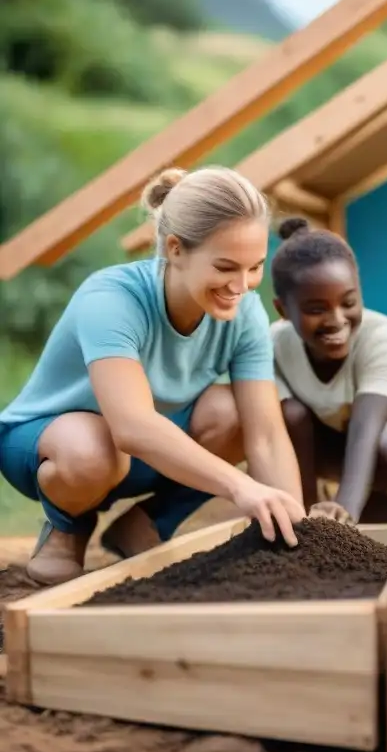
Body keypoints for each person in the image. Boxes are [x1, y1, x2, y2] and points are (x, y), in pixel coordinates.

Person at [0, 166, 306, 585]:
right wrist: (240, 487)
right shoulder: (111, 299)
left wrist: (301, 535)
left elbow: (266, 436)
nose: (242, 285)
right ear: (176, 249)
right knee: (93, 449)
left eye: (254, 267)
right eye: (225, 267)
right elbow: (131, 427)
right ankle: (67, 528)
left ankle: (148, 523)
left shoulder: (245, 312)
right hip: (52, 445)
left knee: (235, 414)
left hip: (142, 450)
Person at [270, 218, 387, 525]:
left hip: (381, 437)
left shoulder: (382, 335)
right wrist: (306, 518)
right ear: (283, 310)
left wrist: (345, 509)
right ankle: (306, 507)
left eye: (349, 302)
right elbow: (290, 425)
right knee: (290, 414)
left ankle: (370, 495)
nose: (337, 320)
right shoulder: (272, 343)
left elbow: (367, 429)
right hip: (318, 440)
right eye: (316, 309)